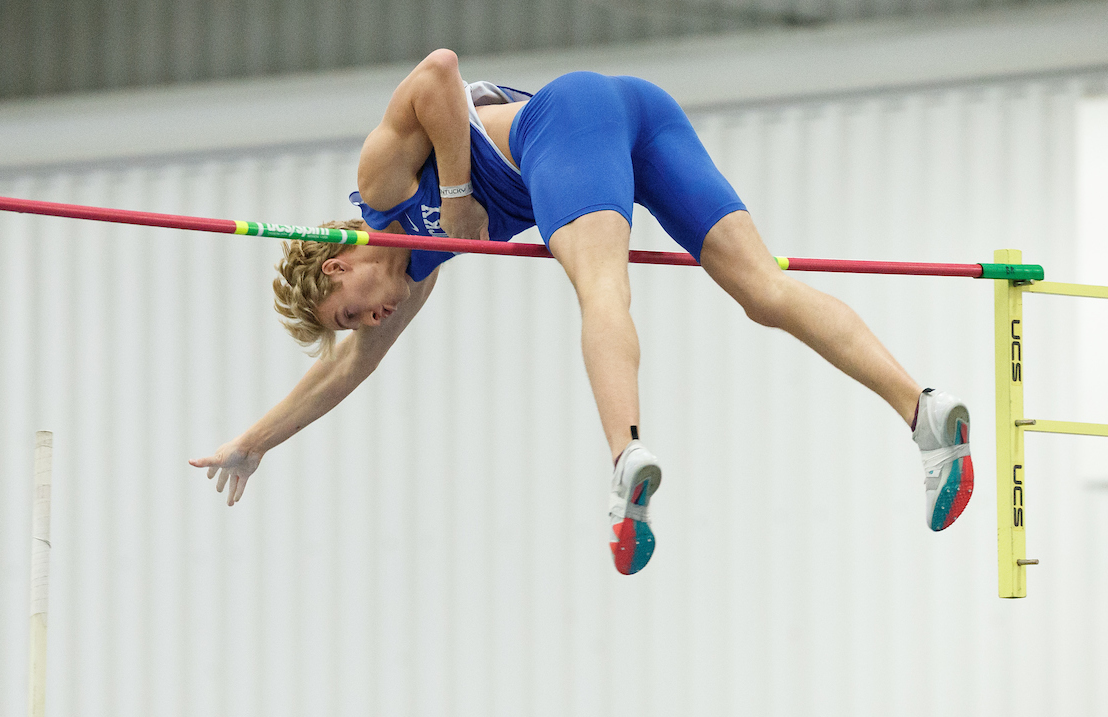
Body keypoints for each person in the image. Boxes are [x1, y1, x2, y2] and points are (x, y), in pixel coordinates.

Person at [190, 49, 974, 575]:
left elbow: (438, 72)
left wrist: (459, 193)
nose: (367, 323)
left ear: (340, 263)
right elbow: (343, 375)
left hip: (565, 120)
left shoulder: (383, 188)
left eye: (350, 312)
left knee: (601, 289)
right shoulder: (416, 272)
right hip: (638, 113)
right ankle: (924, 413)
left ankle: (626, 459)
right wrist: (254, 443)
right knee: (763, 291)